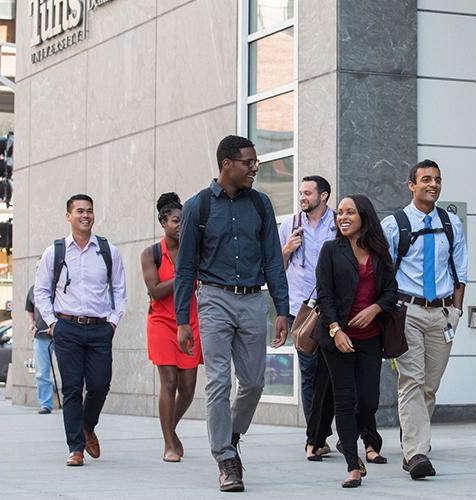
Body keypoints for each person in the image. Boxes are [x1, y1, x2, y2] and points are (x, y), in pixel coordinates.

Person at [173, 135, 289, 493]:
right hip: (214, 300)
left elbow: (273, 258)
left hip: (254, 301)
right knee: (219, 381)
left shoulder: (261, 204)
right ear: (227, 164)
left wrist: (282, 309)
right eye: (248, 162)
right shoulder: (199, 206)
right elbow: (185, 267)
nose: (255, 168)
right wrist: (181, 320)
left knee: (254, 383)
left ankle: (232, 435)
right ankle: (225, 457)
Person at [381, 159, 467, 480]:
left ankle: (411, 440)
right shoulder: (395, 224)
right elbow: (384, 273)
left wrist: (455, 312)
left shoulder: (451, 223)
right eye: (426, 179)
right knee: (412, 380)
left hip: (443, 314)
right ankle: (417, 453)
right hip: (408, 312)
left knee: (430, 385)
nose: (433, 184)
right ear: (411, 185)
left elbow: (461, 272)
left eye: (438, 179)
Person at [33, 194, 127, 467]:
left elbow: (119, 289)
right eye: (80, 211)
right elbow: (41, 290)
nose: (85, 216)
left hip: (100, 328)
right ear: (69, 216)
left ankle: (87, 426)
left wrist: (113, 321)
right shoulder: (55, 251)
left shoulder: (108, 250)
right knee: (72, 388)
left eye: (89, 211)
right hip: (67, 328)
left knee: (99, 385)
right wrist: (52, 322)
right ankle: (76, 448)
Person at [314, 194, 398, 488]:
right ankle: (352, 464)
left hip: (370, 339)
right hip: (337, 337)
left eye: (350, 212)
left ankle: (347, 438)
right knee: (344, 400)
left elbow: (390, 291)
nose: (343, 217)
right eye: (340, 213)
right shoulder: (330, 250)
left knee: (369, 400)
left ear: (364, 217)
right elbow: (323, 295)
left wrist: (375, 308)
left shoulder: (379, 251)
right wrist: (337, 331)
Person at [141, 193, 203, 463]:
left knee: (188, 387)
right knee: (168, 382)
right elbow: (155, 291)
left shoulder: (196, 250)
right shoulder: (151, 253)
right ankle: (169, 443)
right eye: (176, 220)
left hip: (190, 322)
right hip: (161, 323)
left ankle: (171, 428)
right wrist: (184, 275)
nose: (180, 225)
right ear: (163, 222)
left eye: (184, 220)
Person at [278, 175, 335, 456]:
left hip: (333, 308)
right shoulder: (289, 224)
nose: (303, 197)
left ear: (323, 196)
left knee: (335, 373)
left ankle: (324, 428)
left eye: (308, 193)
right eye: (301, 192)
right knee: (310, 372)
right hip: (300, 310)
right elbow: (276, 266)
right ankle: (316, 437)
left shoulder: (338, 223)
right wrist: (286, 249)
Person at [25, 261, 53, 415]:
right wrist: (31, 323)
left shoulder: (57, 288)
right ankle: (46, 404)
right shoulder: (33, 290)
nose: (38, 270)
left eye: (40, 267)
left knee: (68, 371)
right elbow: (29, 309)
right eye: (36, 268)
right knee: (42, 372)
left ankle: (73, 403)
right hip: (41, 335)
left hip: (59, 335)